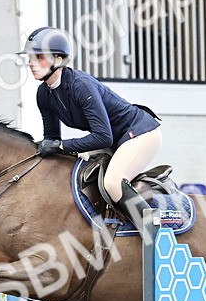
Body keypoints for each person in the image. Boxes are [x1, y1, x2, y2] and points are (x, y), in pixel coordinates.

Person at [21, 26, 162, 227]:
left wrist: (60, 146)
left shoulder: (80, 84)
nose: (31, 63)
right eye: (30, 58)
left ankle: (155, 234)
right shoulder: (43, 94)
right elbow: (52, 140)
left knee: (113, 183)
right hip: (114, 140)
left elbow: (103, 137)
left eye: (39, 57)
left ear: (59, 60)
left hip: (139, 133)